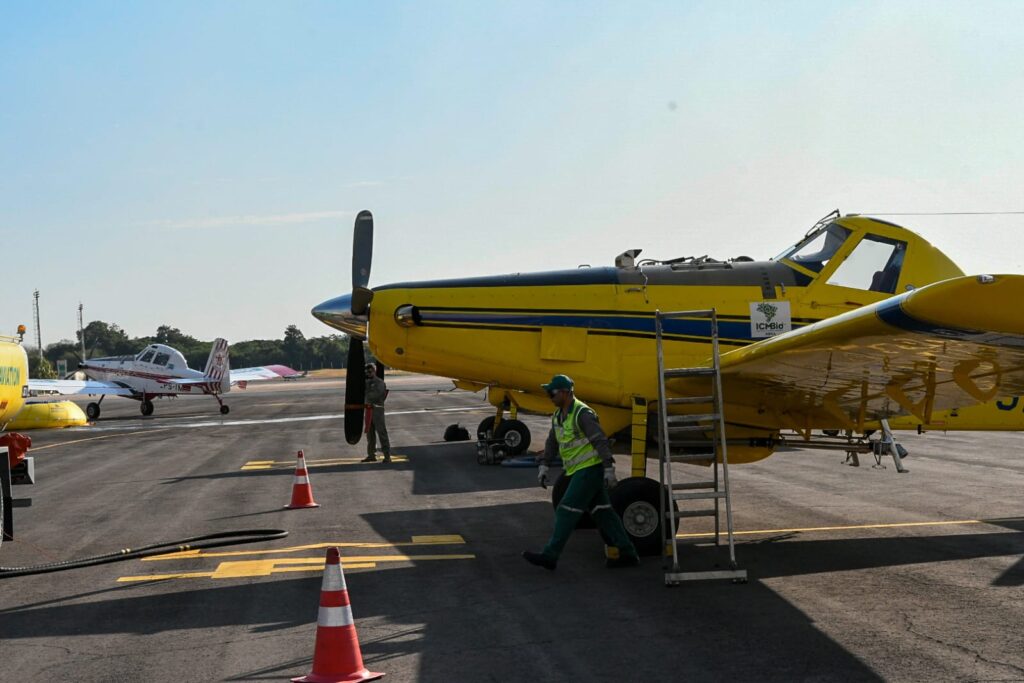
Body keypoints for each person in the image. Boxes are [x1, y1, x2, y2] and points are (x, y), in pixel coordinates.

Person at [522, 374, 640, 570]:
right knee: (604, 514)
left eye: (552, 393)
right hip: (577, 470)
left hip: (590, 469)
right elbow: (552, 442)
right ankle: (628, 553)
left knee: (566, 509)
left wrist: (609, 468)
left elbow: (599, 440)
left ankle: (550, 555)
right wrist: (544, 464)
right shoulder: (558, 416)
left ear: (566, 393)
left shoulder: (582, 413)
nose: (549, 396)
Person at [361, 363, 392, 463]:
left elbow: (375, 395)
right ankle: (371, 455)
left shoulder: (379, 382)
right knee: (370, 434)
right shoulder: (366, 382)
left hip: (377, 410)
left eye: (370, 371)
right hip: (368, 410)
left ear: (374, 371)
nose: (368, 373)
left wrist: (365, 391)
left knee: (382, 433)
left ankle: (387, 455)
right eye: (367, 372)